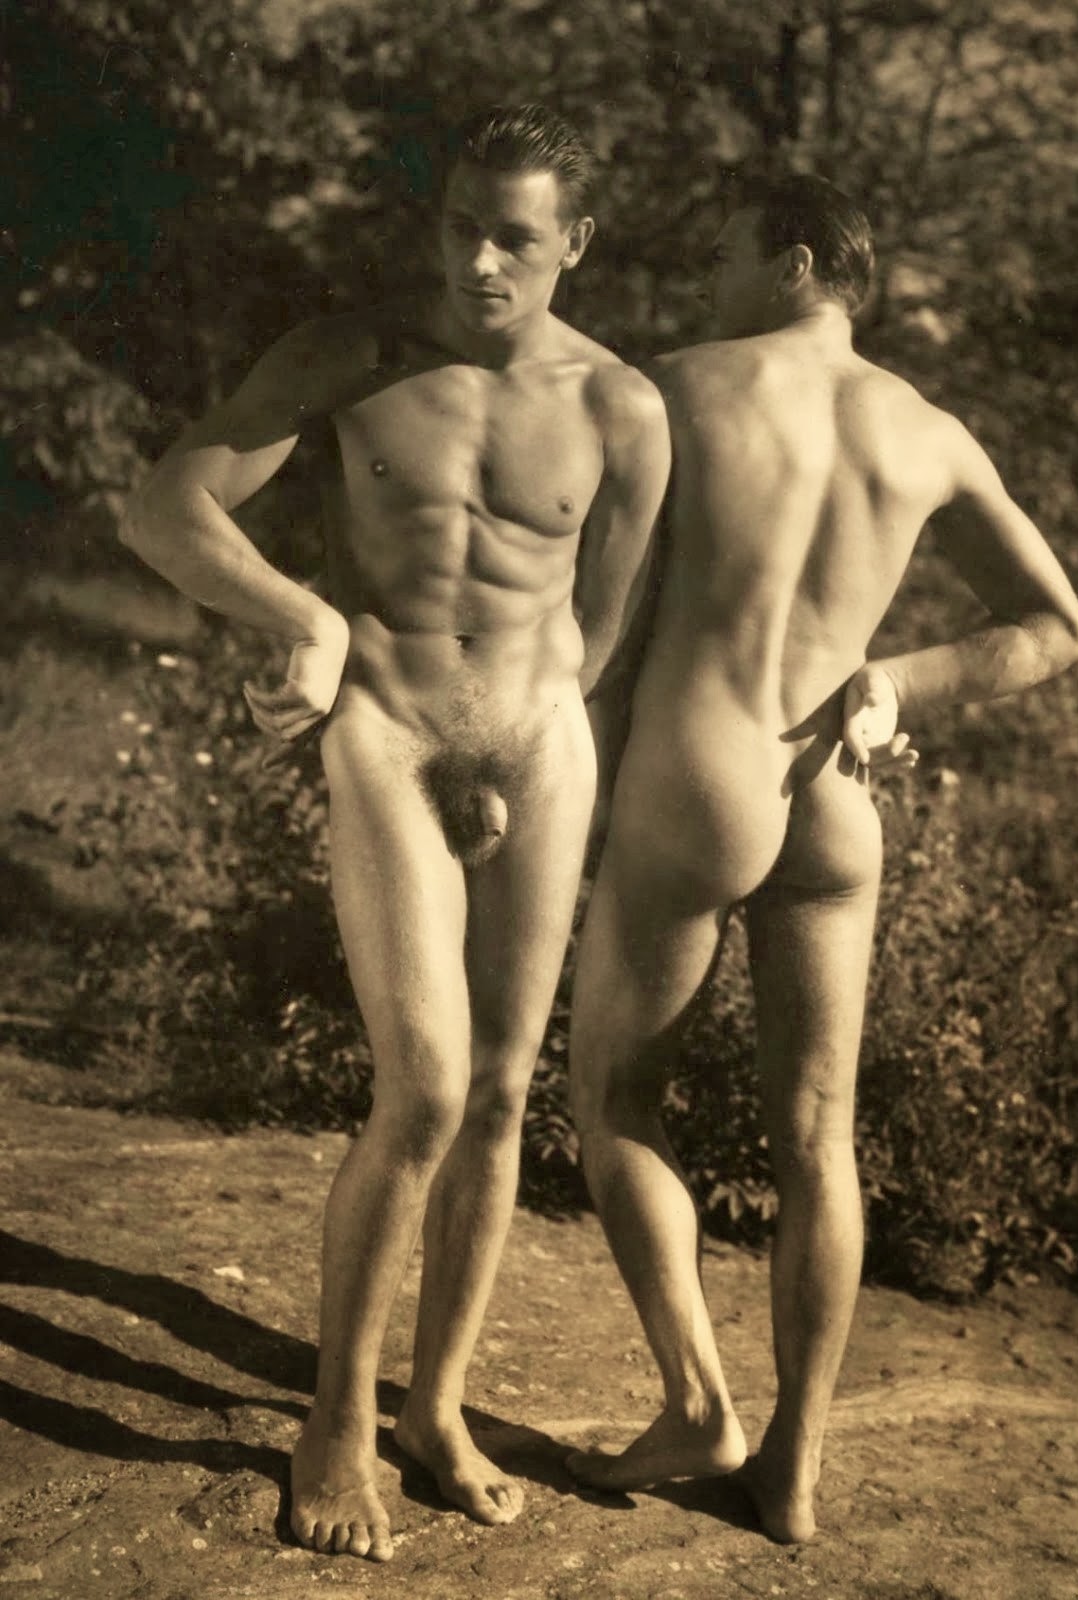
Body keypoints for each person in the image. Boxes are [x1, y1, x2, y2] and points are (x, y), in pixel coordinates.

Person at [120, 103, 669, 1563]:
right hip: (385, 725)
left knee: (500, 1095)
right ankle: (336, 1425)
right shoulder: (349, 356)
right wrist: (301, 618)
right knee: (423, 1086)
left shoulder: (624, 408)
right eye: (460, 227)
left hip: (540, 746)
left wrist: (516, 748)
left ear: (576, 244)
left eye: (516, 238)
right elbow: (162, 508)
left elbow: (599, 625)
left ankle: (434, 1408)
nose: (480, 262)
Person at [565, 174, 1078, 1544]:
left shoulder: (679, 386)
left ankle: (698, 1403)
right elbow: (1056, 627)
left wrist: (564, 788)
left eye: (724, 254)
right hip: (836, 794)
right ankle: (795, 1463)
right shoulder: (928, 431)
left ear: (793, 261)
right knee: (817, 1136)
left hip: (700, 774)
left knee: (611, 1092)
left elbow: (607, 631)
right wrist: (896, 682)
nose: (709, 278)